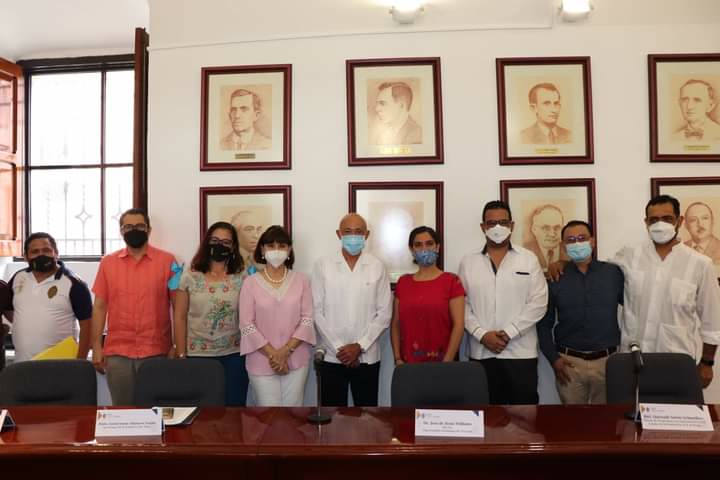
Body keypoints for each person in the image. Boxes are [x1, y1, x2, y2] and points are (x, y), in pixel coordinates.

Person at [548, 195, 720, 388]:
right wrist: (564, 263)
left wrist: (707, 363)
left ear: (679, 221)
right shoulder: (628, 256)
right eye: (654, 219)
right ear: (646, 223)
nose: (660, 224)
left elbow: (712, 321)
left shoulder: (700, 264)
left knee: (674, 407)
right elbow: (593, 269)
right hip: (632, 361)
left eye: (667, 219)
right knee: (629, 407)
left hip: (677, 360)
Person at [458, 200, 548, 405]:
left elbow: (539, 302)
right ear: (483, 227)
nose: (497, 227)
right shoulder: (468, 261)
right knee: (486, 416)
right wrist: (482, 335)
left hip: (520, 353)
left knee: (524, 417)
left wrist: (509, 333)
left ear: (512, 226)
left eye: (503, 222)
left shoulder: (528, 259)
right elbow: (462, 305)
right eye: (491, 223)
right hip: (481, 352)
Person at [91, 208, 178, 406]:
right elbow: (99, 307)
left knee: (156, 411)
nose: (134, 230)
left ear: (149, 230)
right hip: (118, 353)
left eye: (139, 226)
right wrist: (96, 347)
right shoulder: (108, 263)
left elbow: (178, 308)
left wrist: (176, 346)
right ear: (121, 231)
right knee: (122, 412)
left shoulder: (168, 261)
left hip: (157, 351)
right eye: (128, 227)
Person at [537, 221, 623, 404]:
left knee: (607, 419)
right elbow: (543, 324)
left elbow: (634, 308)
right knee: (573, 420)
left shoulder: (613, 273)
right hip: (569, 364)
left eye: (582, 238)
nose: (577, 243)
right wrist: (553, 359)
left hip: (607, 363)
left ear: (592, 241)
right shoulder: (556, 277)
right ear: (563, 246)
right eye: (571, 240)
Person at [311, 213, 392, 407]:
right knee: (332, 416)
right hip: (332, 356)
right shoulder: (323, 265)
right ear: (338, 234)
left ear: (367, 235)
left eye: (358, 232)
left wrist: (359, 347)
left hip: (366, 356)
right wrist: (340, 348)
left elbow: (384, 313)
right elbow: (316, 311)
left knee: (367, 416)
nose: (353, 236)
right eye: (348, 232)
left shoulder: (377, 266)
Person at [173, 221, 248, 406]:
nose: (219, 246)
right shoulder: (190, 276)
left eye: (226, 242)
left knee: (233, 409)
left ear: (233, 247)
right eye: (214, 241)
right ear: (206, 242)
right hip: (197, 355)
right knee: (202, 412)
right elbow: (179, 316)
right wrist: (181, 354)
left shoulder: (243, 277)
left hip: (233, 355)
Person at [239, 225, 315, 406]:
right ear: (262, 250)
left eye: (282, 246)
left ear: (289, 250)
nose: (276, 250)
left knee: (294, 413)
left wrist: (286, 352)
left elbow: (307, 319)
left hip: (296, 359)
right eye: (271, 246)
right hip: (261, 360)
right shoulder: (250, 283)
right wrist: (275, 355)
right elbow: (246, 324)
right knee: (268, 415)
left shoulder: (302, 280)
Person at [4, 232, 92, 362]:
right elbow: (8, 308)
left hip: (62, 364)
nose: (41, 255)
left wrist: (80, 362)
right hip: (22, 363)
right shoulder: (18, 277)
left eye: (46, 250)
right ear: (26, 257)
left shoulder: (73, 283)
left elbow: (88, 325)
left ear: (56, 253)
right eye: (35, 251)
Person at [391, 226, 465, 364]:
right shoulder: (403, 282)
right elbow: (395, 324)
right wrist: (397, 358)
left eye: (429, 243)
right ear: (412, 250)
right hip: (408, 365)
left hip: (443, 363)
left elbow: (459, 325)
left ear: (437, 247)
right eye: (418, 245)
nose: (424, 249)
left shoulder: (451, 281)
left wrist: (446, 362)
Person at [523, 204, 565, 271]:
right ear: (534, 230)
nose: (552, 234)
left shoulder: (570, 251)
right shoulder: (524, 251)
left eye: (557, 228)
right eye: (546, 228)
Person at [231, 208, 270, 274]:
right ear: (236, 233)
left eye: (258, 229)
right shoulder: (229, 260)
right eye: (249, 229)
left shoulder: (265, 261)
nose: (256, 235)